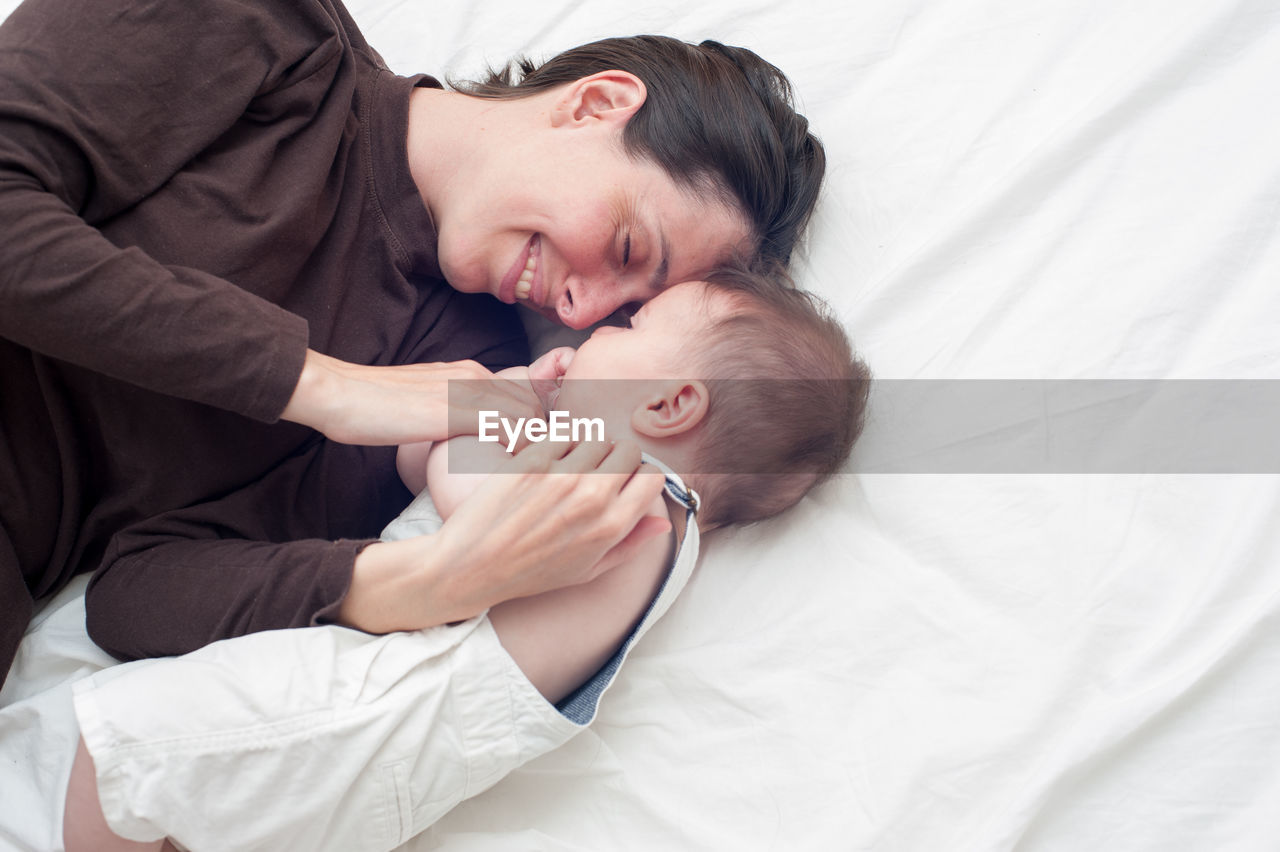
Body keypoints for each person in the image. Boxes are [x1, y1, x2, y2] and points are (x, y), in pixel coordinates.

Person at [0, 0, 826, 684]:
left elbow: (132, 594)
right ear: (597, 103)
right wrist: (322, 386)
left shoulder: (462, 382)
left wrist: (424, 582)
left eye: (624, 312)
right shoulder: (268, 31)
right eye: (626, 251)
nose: (581, 309)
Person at [62, 269, 871, 852]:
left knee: (121, 750)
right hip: (388, 742)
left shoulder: (633, 499)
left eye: (630, 328)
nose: (593, 334)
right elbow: (420, 464)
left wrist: (513, 407)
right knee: (179, 792)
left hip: (376, 704)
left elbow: (468, 500)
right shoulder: (654, 521)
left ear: (667, 404)